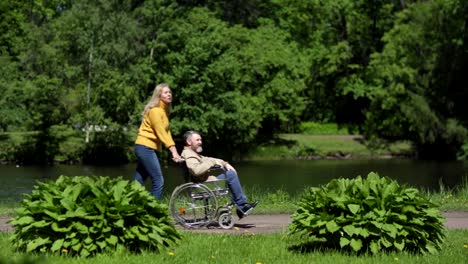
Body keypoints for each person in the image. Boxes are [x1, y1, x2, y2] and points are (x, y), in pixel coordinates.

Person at [181, 130, 259, 219]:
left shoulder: (192, 153)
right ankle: (241, 206)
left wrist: (225, 163)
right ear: (189, 142)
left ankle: (241, 206)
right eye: (197, 140)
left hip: (204, 183)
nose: (200, 142)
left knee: (229, 174)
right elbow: (196, 171)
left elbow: (208, 159)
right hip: (201, 186)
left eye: (200, 140)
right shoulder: (189, 155)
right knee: (230, 175)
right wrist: (212, 162)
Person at [134, 83, 182, 199]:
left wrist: (174, 151)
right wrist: (174, 151)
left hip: (147, 148)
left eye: (170, 92)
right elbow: (161, 132)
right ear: (159, 95)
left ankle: (129, 205)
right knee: (158, 180)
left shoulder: (164, 112)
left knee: (138, 181)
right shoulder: (155, 111)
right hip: (145, 147)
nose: (169, 94)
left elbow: (167, 133)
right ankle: (154, 210)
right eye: (166, 92)